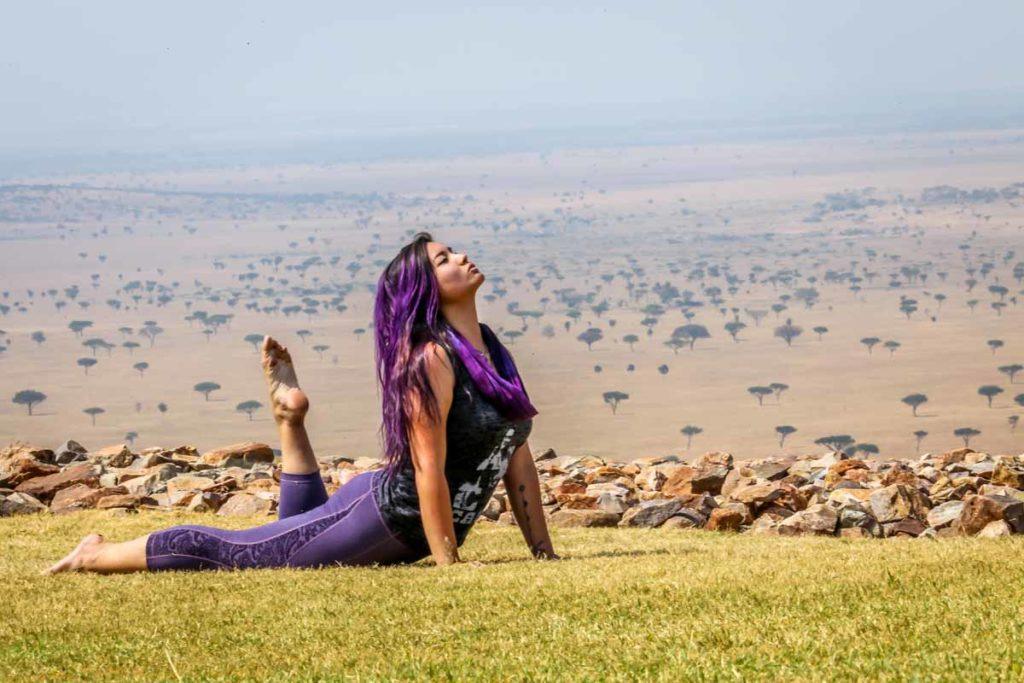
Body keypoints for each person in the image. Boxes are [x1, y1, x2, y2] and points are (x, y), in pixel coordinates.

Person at [42, 232, 560, 575]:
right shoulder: (431, 361)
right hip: (384, 517)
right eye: (443, 259)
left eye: (453, 251)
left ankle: (290, 421)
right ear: (426, 290)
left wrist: (544, 554)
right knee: (242, 554)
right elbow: (428, 465)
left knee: (297, 528)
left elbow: (515, 454)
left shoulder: (490, 348)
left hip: (382, 511)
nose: (462, 257)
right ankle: (96, 554)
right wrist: (450, 563)